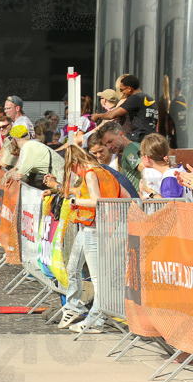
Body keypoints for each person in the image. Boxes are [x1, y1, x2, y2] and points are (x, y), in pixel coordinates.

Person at [44, 145, 122, 334]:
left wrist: (73, 202)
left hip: (94, 227)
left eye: (71, 168)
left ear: (75, 162)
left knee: (96, 278)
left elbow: (96, 200)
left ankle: (96, 319)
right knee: (73, 268)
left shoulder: (90, 173)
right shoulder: (100, 172)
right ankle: (74, 307)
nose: (72, 172)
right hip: (89, 226)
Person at [90, 74, 158, 141]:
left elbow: (112, 115)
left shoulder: (135, 98)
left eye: (122, 90)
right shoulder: (149, 99)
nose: (122, 93)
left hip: (138, 138)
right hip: (151, 138)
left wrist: (97, 116)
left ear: (129, 89)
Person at [98, 120, 142, 190]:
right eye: (105, 145)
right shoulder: (135, 146)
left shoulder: (129, 149)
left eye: (110, 141)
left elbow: (145, 169)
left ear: (121, 134)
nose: (109, 147)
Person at [138, 133, 172, 198]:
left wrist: (149, 192)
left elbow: (169, 205)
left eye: (140, 154)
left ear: (147, 158)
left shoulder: (169, 177)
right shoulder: (174, 170)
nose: (140, 157)